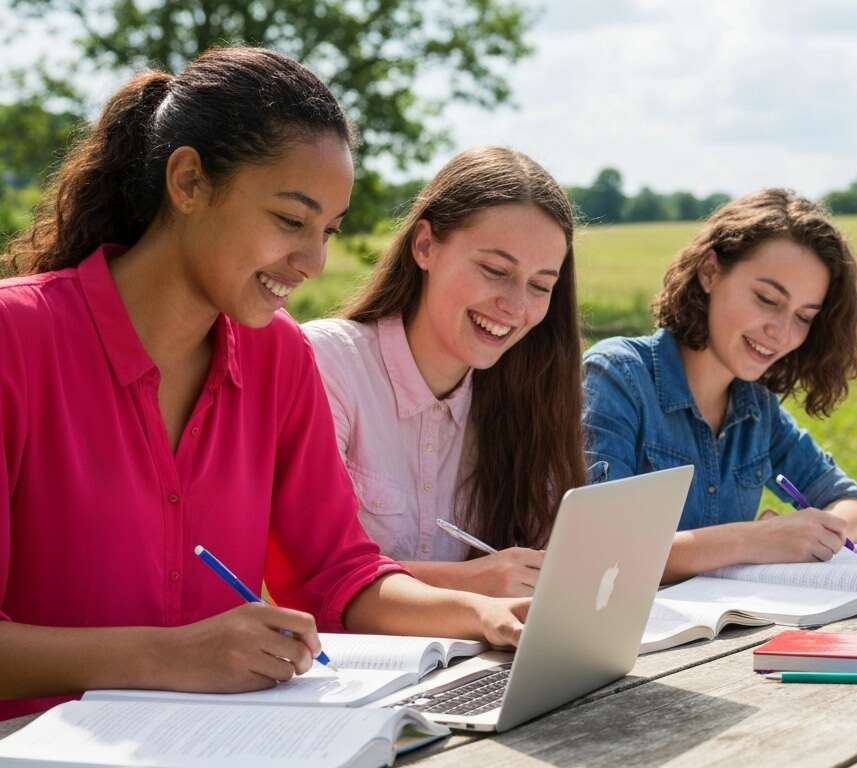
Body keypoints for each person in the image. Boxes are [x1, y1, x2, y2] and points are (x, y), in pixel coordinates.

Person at [0, 47, 526, 721]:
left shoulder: (281, 356)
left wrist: (483, 613)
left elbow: (338, 573)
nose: (313, 261)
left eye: (328, 230)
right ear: (188, 182)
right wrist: (168, 656)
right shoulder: (17, 340)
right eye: (289, 220)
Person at [303, 146, 585, 598]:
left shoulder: (528, 397)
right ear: (425, 246)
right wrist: (474, 584)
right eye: (495, 270)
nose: (515, 307)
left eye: (539, 286)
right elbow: (311, 573)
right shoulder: (327, 363)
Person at [581, 189, 857, 582]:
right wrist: (757, 539)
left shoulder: (757, 407)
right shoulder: (617, 376)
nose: (782, 331)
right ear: (710, 271)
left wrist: (810, 532)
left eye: (804, 317)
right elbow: (602, 551)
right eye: (767, 299)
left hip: (726, 637)